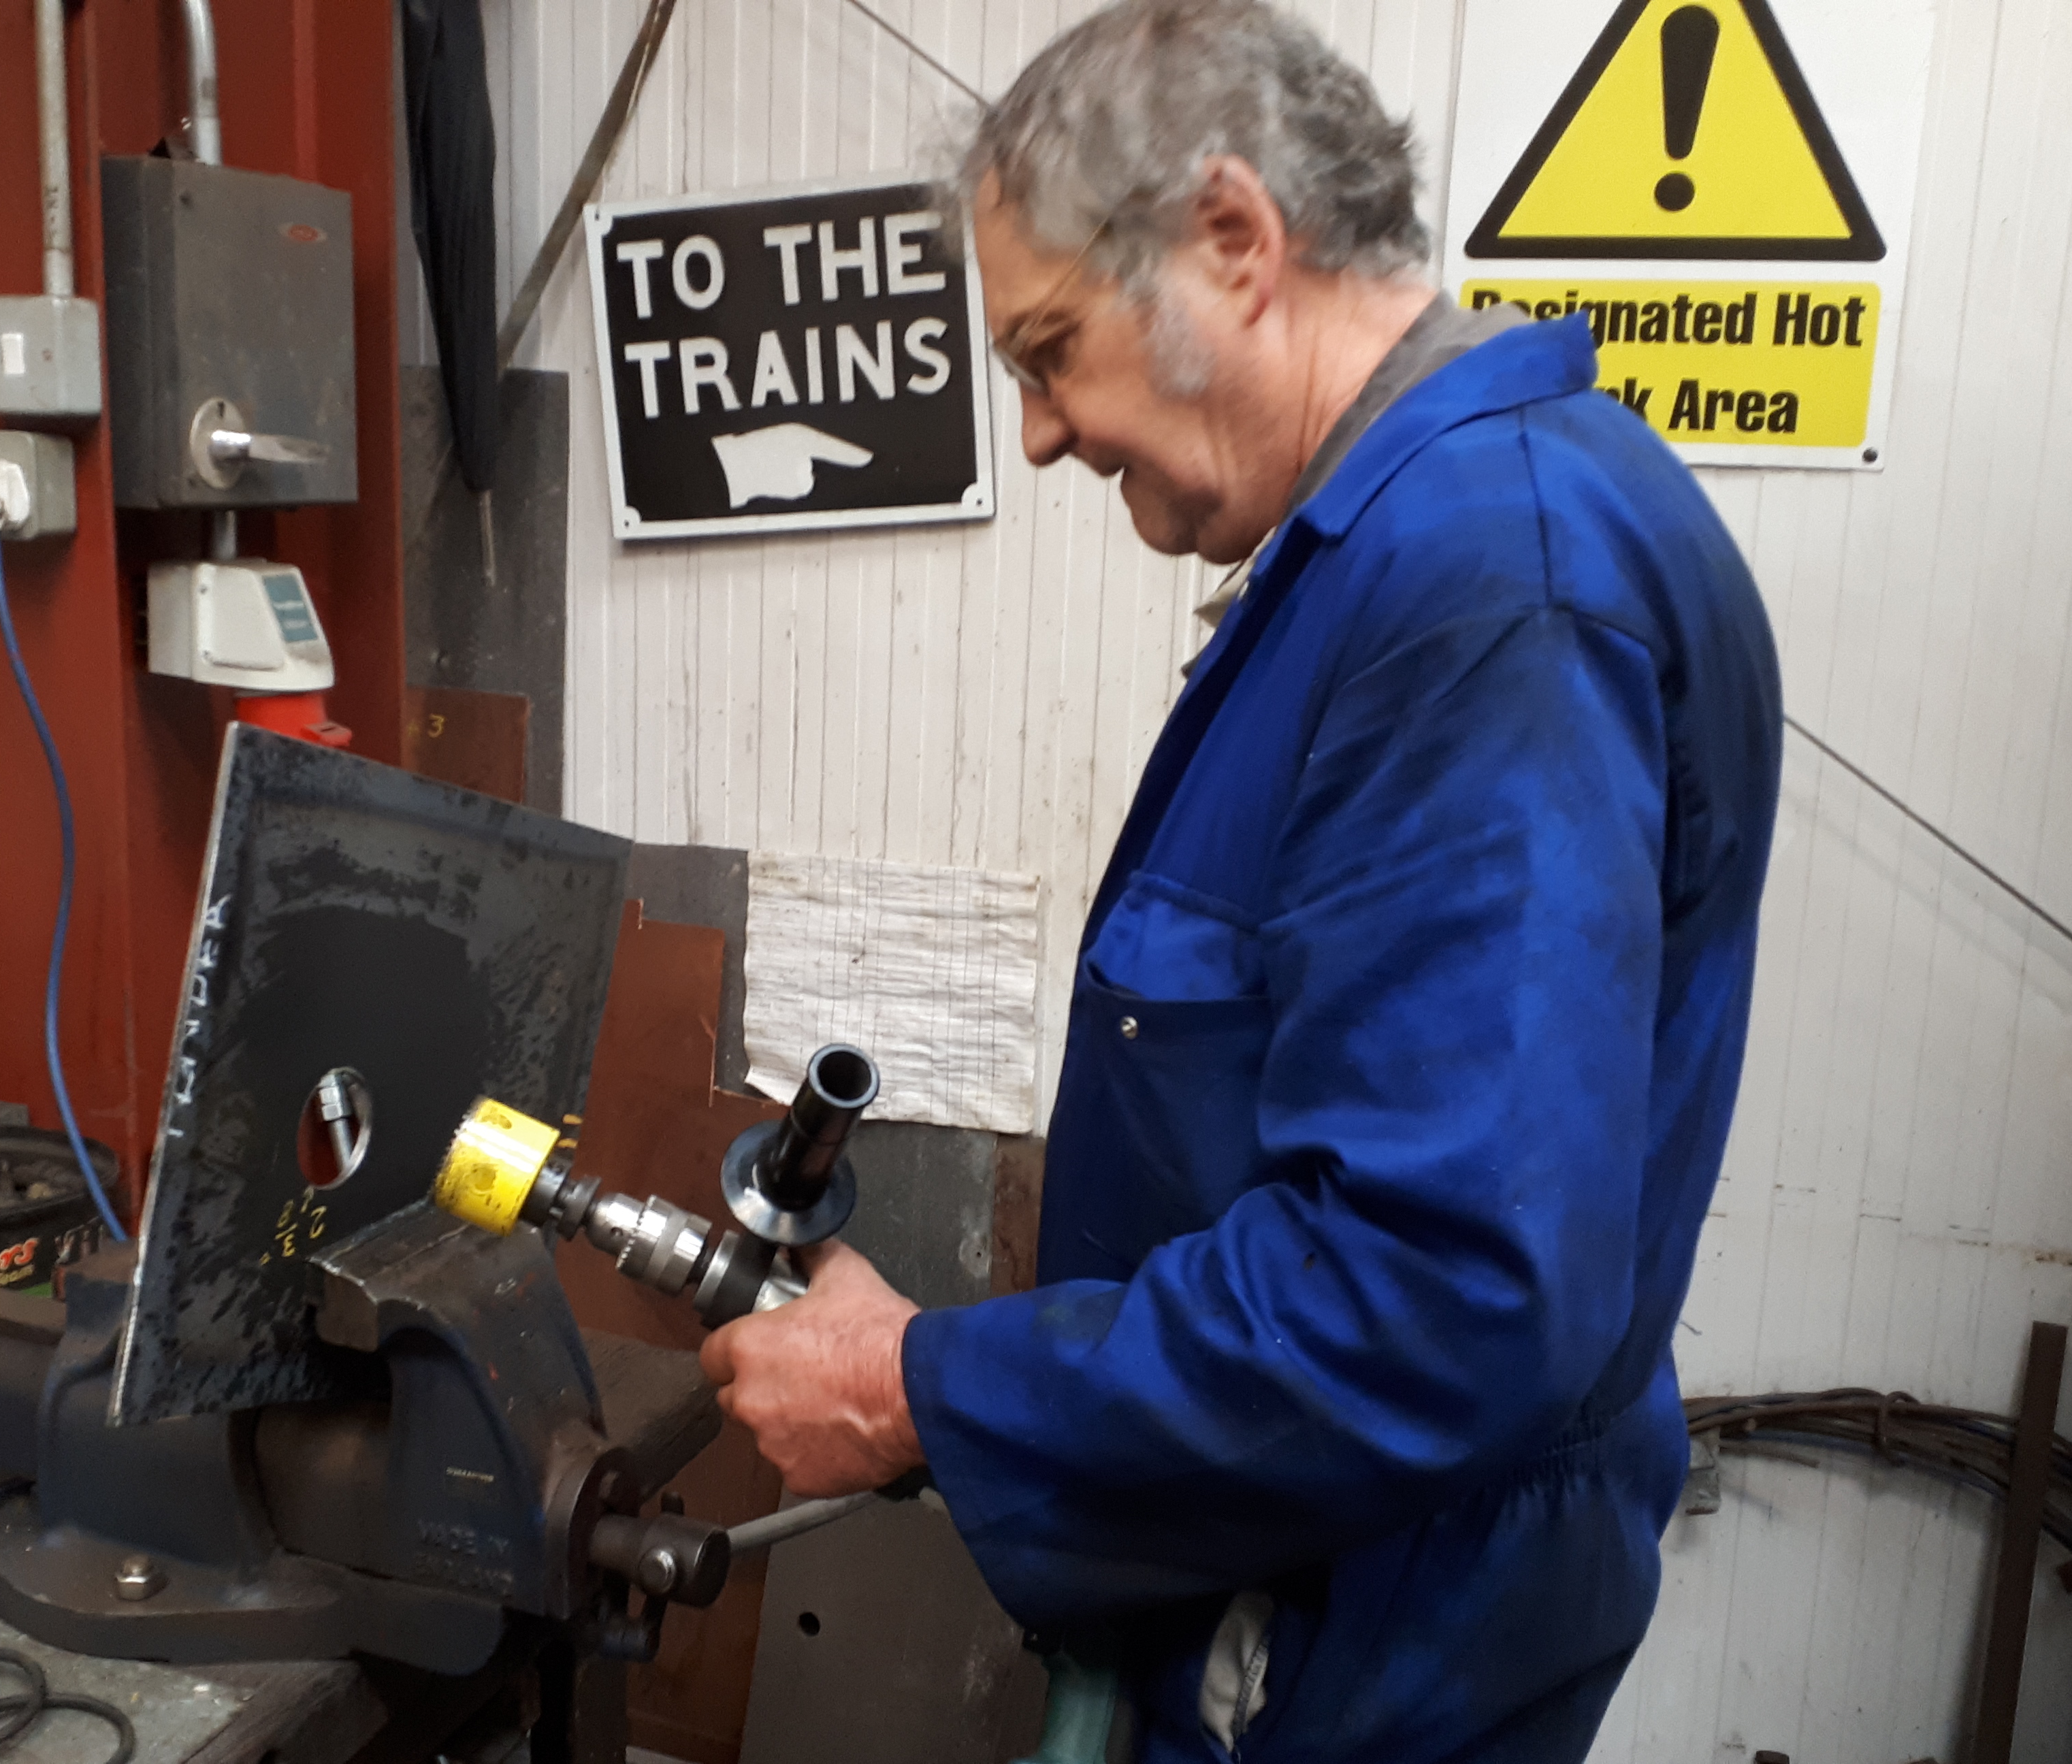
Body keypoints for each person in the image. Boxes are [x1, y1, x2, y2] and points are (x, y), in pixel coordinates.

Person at [698, 2, 1783, 1757]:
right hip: (1311, 1583)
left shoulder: (1488, 584)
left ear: (1233, 241)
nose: (1039, 432)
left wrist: (922, 1389)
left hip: (1369, 1638)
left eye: (1048, 351)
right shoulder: (1424, 547)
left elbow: (1440, 1291)